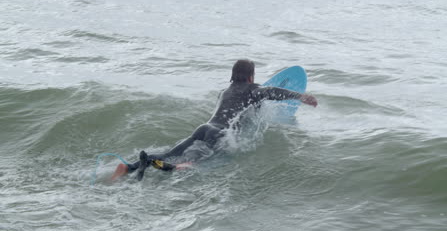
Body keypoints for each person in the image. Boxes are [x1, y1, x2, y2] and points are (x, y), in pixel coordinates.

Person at [111, 59, 318, 181]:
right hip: (219, 133)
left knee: (169, 153)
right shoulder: (253, 89)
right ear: (250, 77)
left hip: (203, 128)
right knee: (194, 161)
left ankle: (129, 167)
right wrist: (300, 96)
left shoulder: (225, 91)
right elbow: (270, 91)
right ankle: (180, 167)